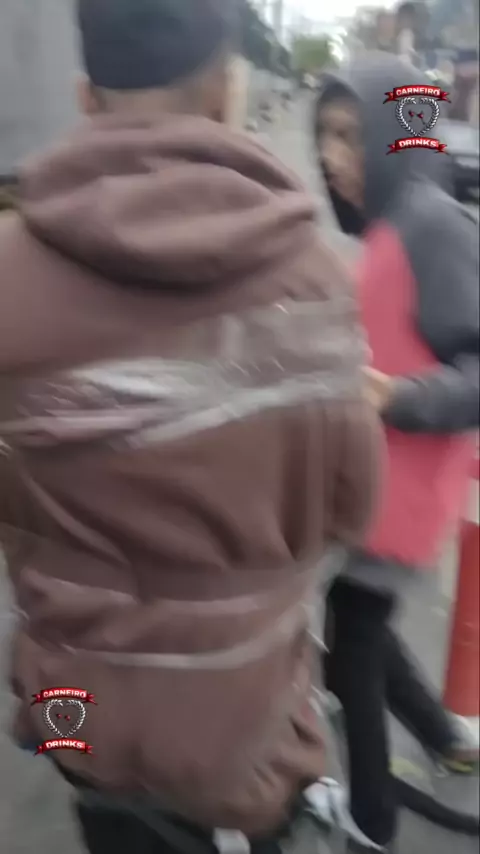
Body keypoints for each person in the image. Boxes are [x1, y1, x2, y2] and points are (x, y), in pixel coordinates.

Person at [0, 2, 381, 853]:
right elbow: (354, 510)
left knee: (104, 811)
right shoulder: (316, 280)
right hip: (246, 718)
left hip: (74, 711)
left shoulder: (7, 276)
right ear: (226, 91)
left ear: (85, 97)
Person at [314, 53, 480, 851]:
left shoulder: (432, 224)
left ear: (392, 133)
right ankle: (447, 739)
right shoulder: (393, 223)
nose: (331, 157)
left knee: (348, 645)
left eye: (350, 135)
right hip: (378, 483)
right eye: (324, 136)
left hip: (403, 492)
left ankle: (371, 823)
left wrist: (399, 398)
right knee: (360, 628)